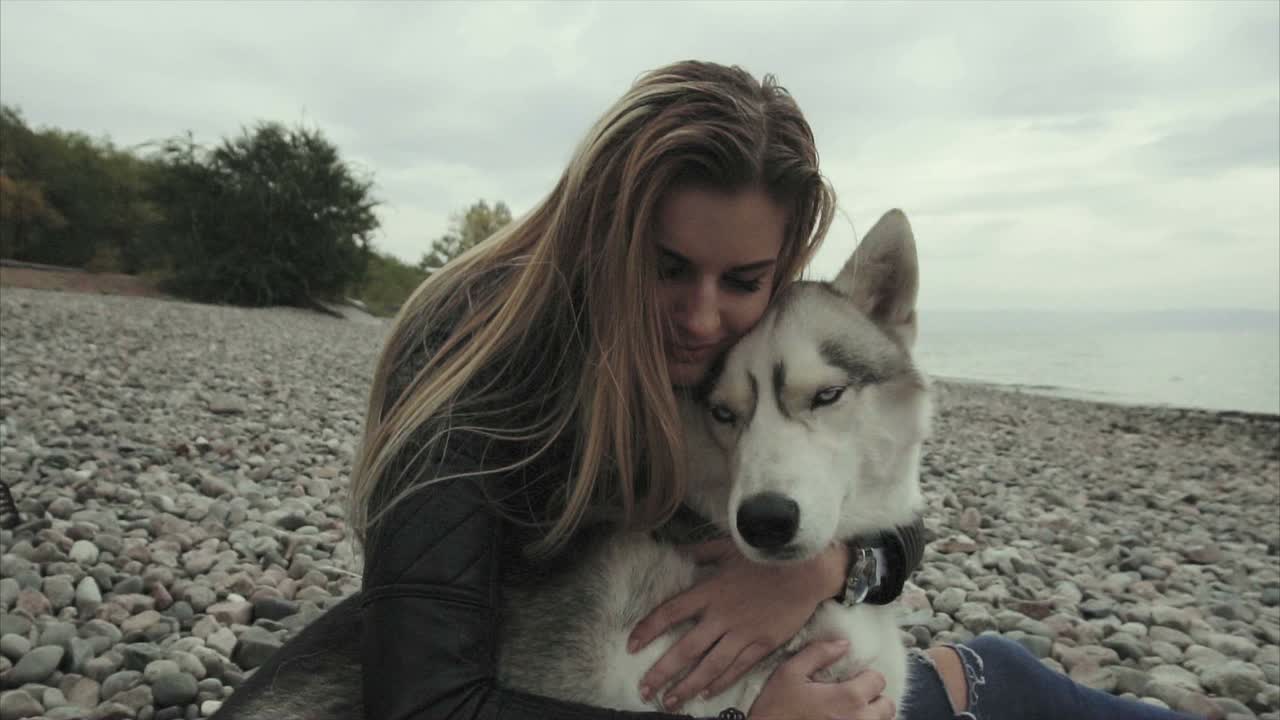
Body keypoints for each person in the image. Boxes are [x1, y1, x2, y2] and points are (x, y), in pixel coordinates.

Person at [344, 61, 1203, 720]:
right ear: (606, 229)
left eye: (745, 278)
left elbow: (882, 514)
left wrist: (828, 566)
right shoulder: (478, 349)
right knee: (972, 682)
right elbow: (422, 701)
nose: (704, 318)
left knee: (992, 670)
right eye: (668, 266)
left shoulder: (723, 368)